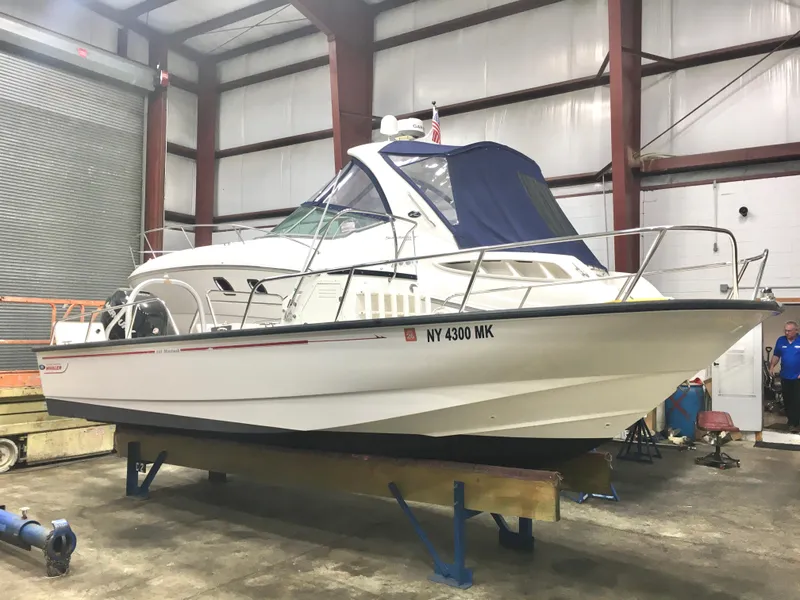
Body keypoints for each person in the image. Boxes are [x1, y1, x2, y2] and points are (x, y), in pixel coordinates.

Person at [770, 320, 800, 433]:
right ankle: (791, 422)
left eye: (789, 331)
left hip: (798, 377)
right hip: (785, 376)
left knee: (797, 401)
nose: (787, 333)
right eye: (785, 330)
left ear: (796, 330)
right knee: (787, 401)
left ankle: (796, 423)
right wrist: (772, 366)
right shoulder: (781, 340)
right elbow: (777, 355)